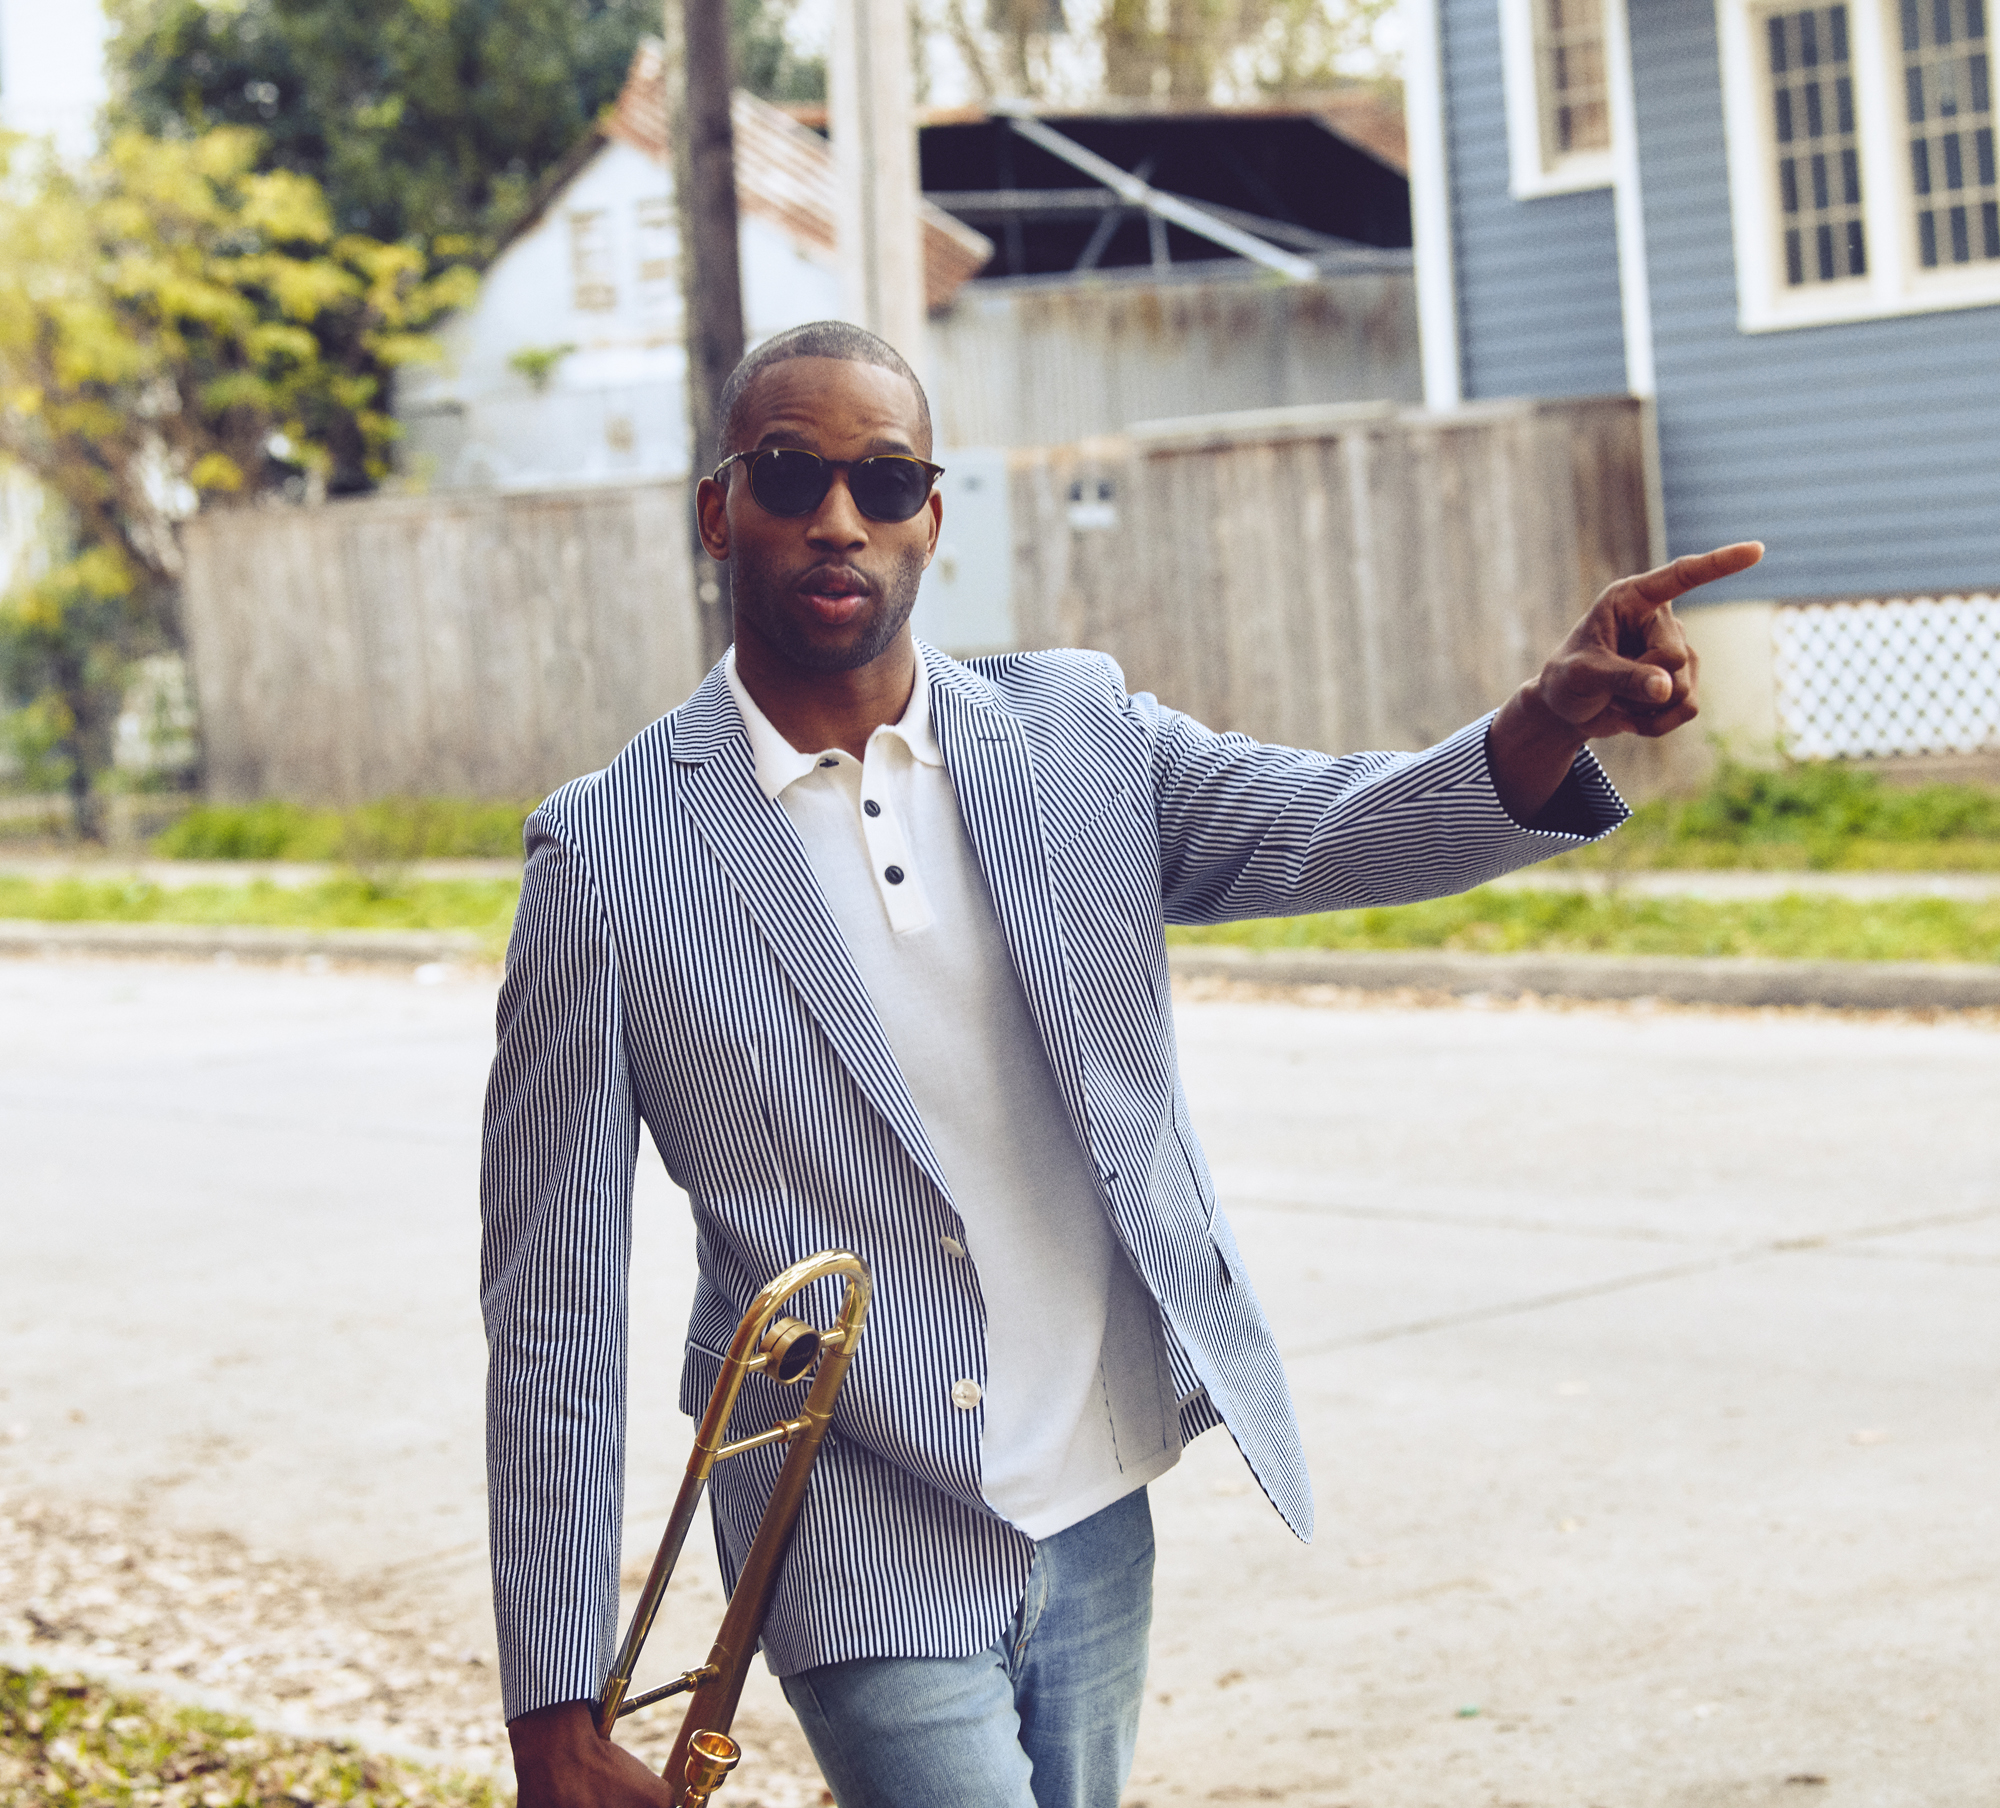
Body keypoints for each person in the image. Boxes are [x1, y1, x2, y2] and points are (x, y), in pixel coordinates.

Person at [482, 319, 1762, 1808]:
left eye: (887, 481)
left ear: (934, 520)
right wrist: (554, 1714)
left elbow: (1332, 822)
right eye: (792, 473)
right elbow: (554, 1304)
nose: (842, 516)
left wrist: (1547, 718)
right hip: (851, 1512)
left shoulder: (1073, 733)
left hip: (1096, 1494)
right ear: (722, 507)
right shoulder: (608, 853)